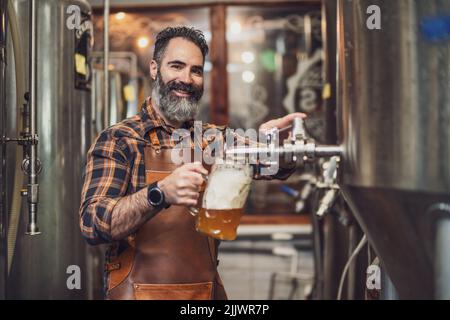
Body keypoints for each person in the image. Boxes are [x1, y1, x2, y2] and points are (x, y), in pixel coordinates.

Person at [79, 26, 304, 300]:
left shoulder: (212, 140)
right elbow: (93, 223)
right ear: (154, 69)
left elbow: (275, 166)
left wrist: (278, 146)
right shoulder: (120, 139)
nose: (186, 79)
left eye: (196, 70)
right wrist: (159, 193)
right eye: (176, 66)